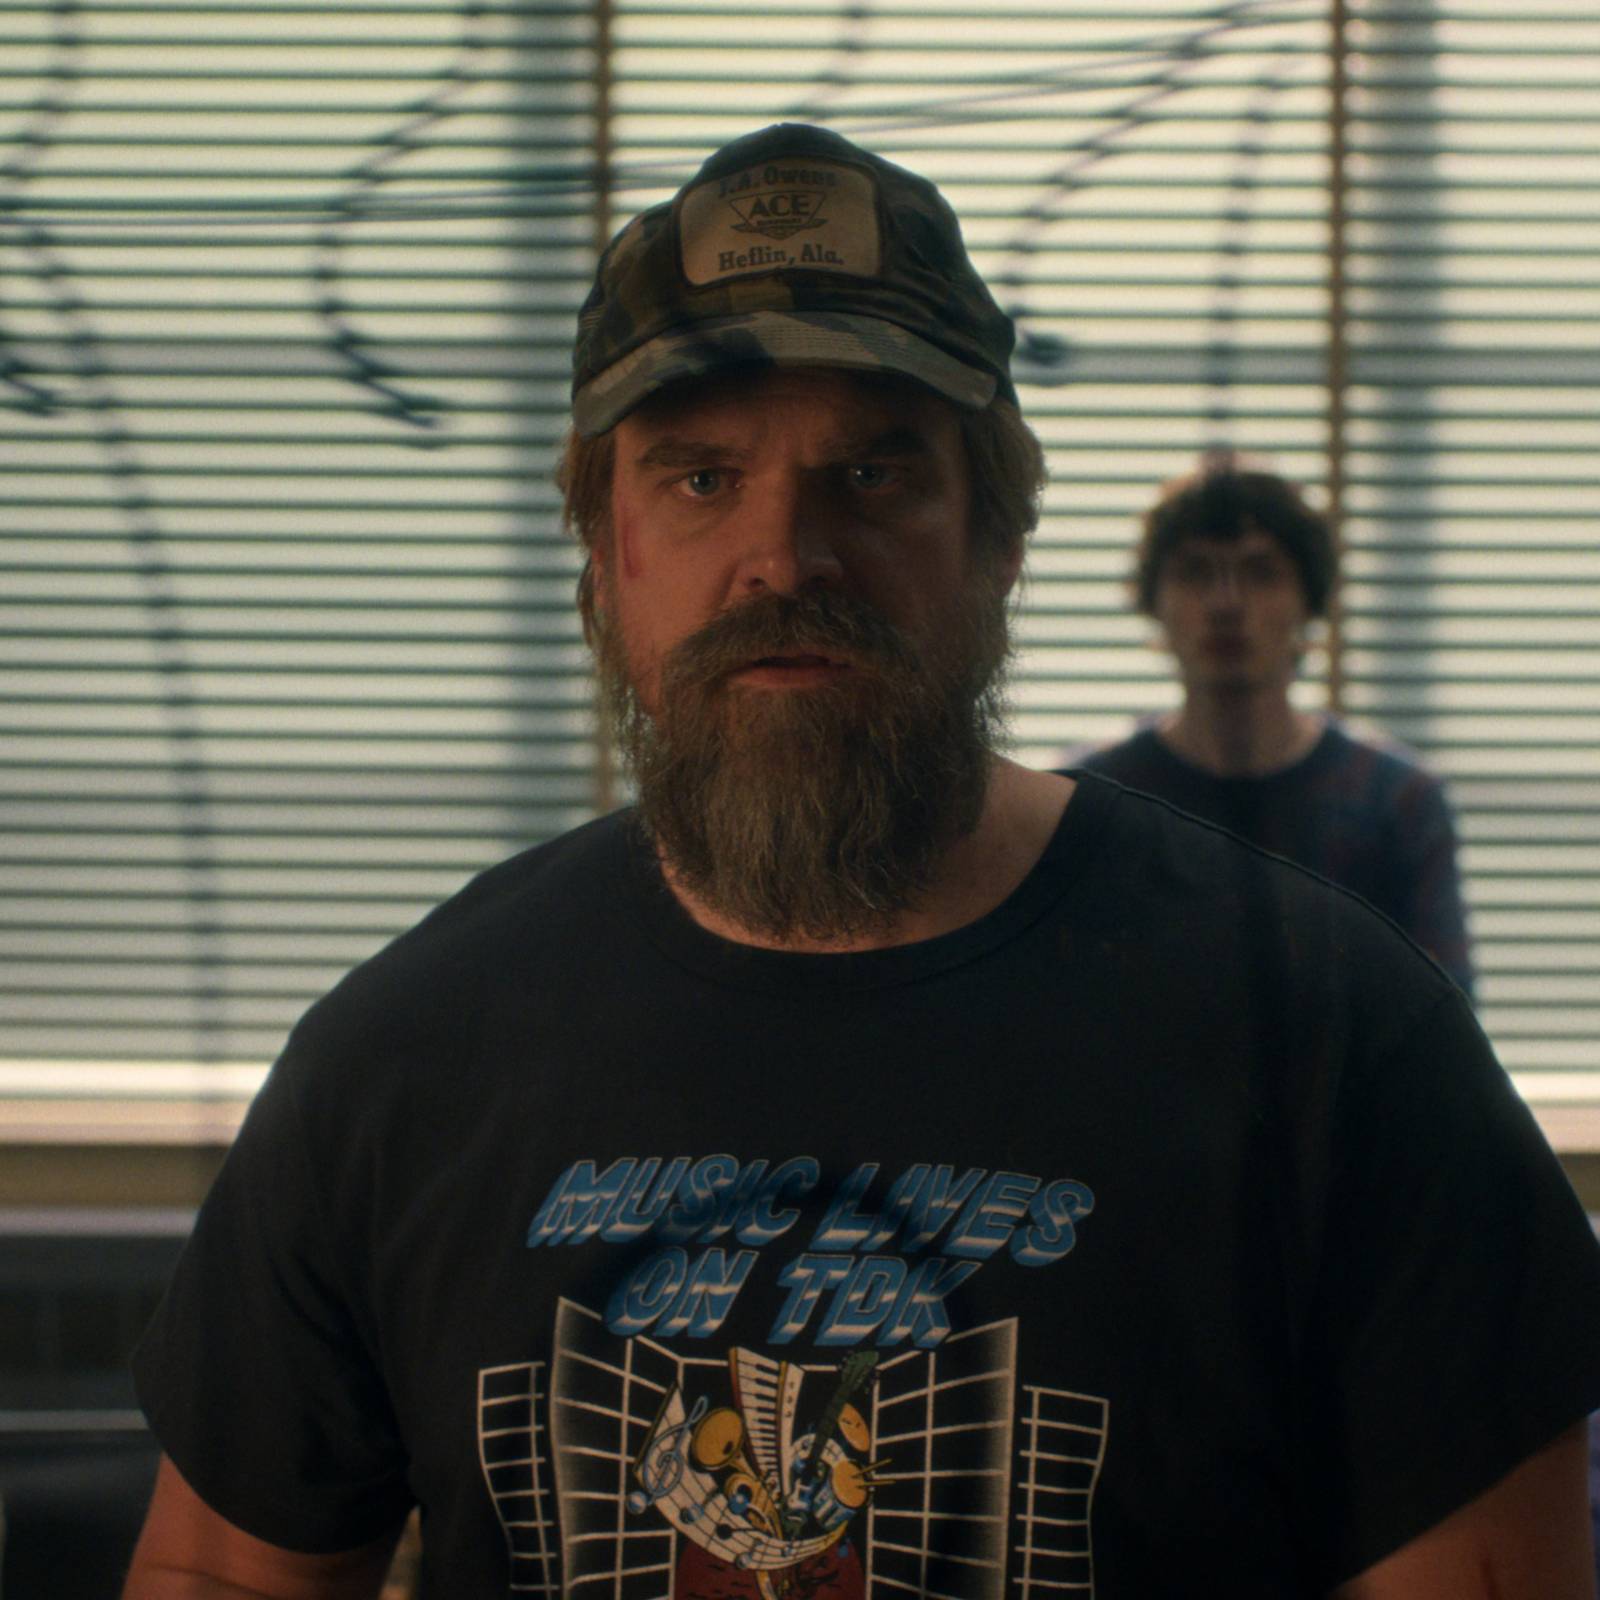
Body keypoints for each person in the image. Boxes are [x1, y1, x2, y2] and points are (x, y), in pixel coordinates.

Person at [123, 123, 1600, 1600]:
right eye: (701, 479)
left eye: (875, 472)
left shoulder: (1343, 1042)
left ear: (998, 540)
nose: (784, 555)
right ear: (602, 552)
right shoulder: (402, 1058)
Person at [1072, 458, 1475, 995]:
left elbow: (1445, 1019)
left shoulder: (1395, 804)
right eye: (1195, 572)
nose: (1227, 603)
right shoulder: (1094, 804)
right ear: (1154, 601)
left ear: (1309, 601)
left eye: (1261, 572)